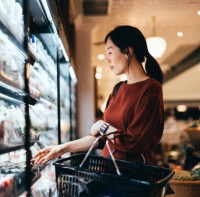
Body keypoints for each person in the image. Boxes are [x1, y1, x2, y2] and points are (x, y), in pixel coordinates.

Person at [33, 25, 164, 165]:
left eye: (110, 52)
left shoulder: (150, 89)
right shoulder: (118, 89)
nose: (107, 59)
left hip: (132, 179)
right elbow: (100, 138)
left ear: (128, 51)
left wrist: (103, 126)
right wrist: (61, 149)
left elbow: (135, 143)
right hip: (109, 173)